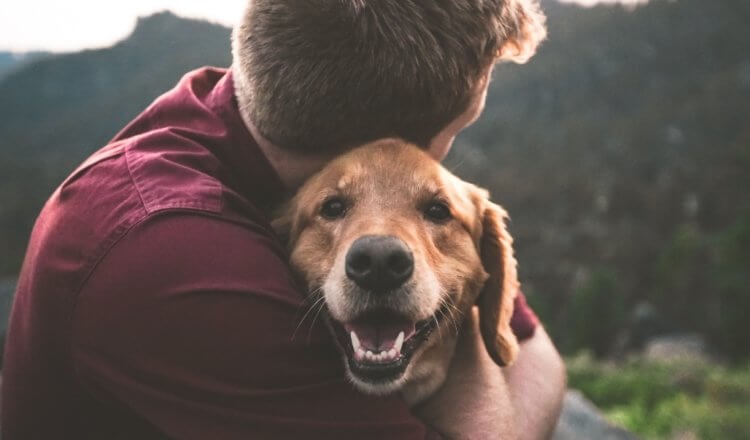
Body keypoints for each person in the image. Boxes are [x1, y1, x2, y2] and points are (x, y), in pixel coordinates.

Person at [1, 0, 565, 438]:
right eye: (459, 127)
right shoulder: (172, 256)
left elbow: (535, 353)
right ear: (388, 140)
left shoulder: (239, 113)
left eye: (434, 204)